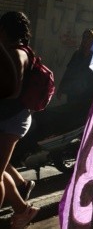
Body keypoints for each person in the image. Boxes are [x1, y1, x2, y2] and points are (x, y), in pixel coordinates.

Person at [0, 12, 39, 227]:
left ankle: (24, 210)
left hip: (12, 119)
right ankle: (23, 209)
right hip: (8, 117)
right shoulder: (13, 51)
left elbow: (12, 92)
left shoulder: (17, 53)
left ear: (4, 30)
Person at [58, 29, 93, 105]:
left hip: (89, 96)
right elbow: (69, 71)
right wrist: (61, 88)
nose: (85, 40)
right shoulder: (77, 54)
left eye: (88, 37)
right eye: (84, 37)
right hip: (73, 93)